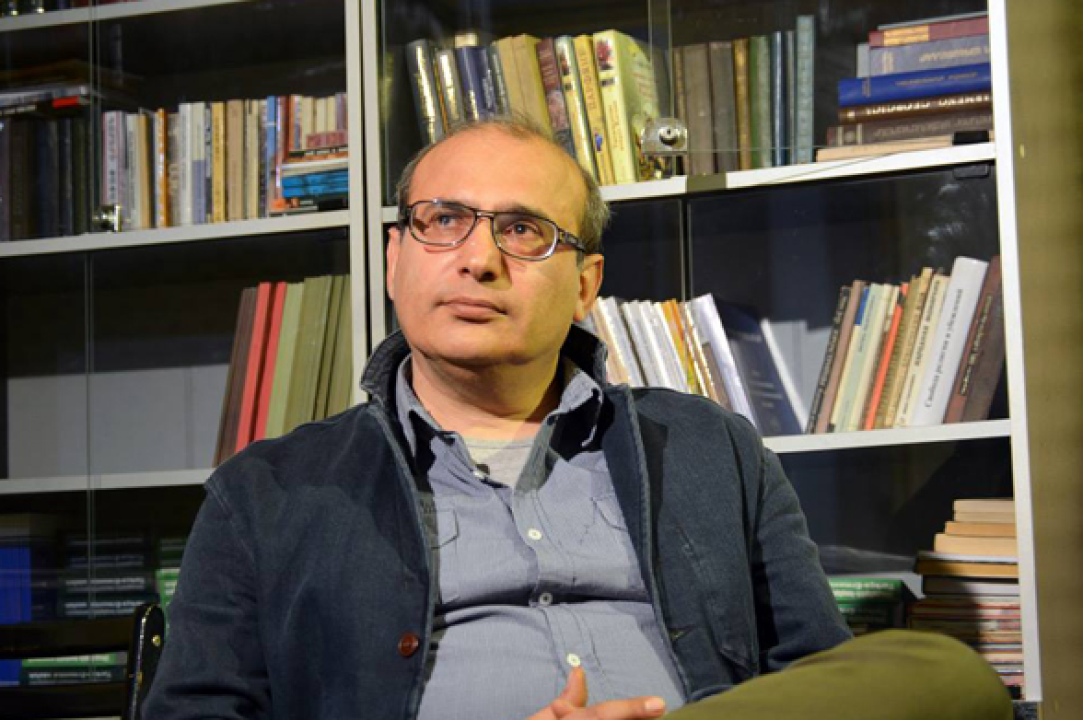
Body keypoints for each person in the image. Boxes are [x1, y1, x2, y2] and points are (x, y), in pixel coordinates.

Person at [143, 117, 1011, 720]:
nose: (479, 260)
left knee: (936, 671)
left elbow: (817, 676)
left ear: (586, 284)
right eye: (443, 221)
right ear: (395, 258)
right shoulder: (265, 493)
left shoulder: (706, 446)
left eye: (523, 231)